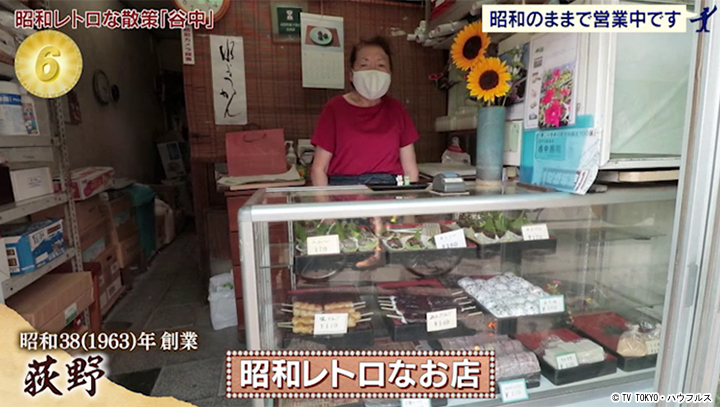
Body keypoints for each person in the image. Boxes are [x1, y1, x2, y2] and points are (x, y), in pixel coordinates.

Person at [311, 36, 420, 187]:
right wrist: (324, 201)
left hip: (389, 190)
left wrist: (409, 197)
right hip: (344, 192)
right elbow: (319, 169)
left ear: (390, 74)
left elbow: (410, 170)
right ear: (351, 74)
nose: (373, 71)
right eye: (364, 64)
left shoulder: (397, 109)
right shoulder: (334, 108)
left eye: (381, 65)